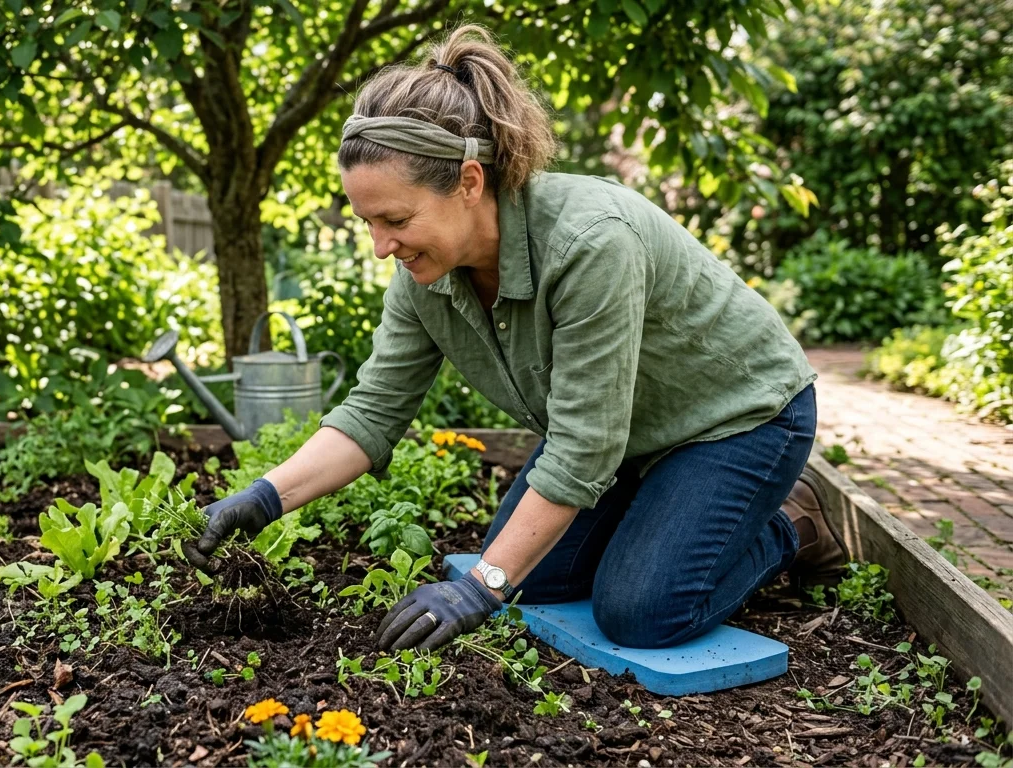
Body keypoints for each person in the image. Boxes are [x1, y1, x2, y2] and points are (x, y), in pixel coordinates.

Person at [183, 24, 847, 653]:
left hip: (737, 417)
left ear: (469, 182)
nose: (381, 245)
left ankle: (792, 523)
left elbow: (584, 448)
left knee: (641, 610)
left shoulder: (590, 244)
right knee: (537, 577)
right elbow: (372, 412)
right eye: (367, 223)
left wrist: (479, 588)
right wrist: (263, 498)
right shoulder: (425, 275)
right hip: (630, 434)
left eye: (394, 219)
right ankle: (667, 514)